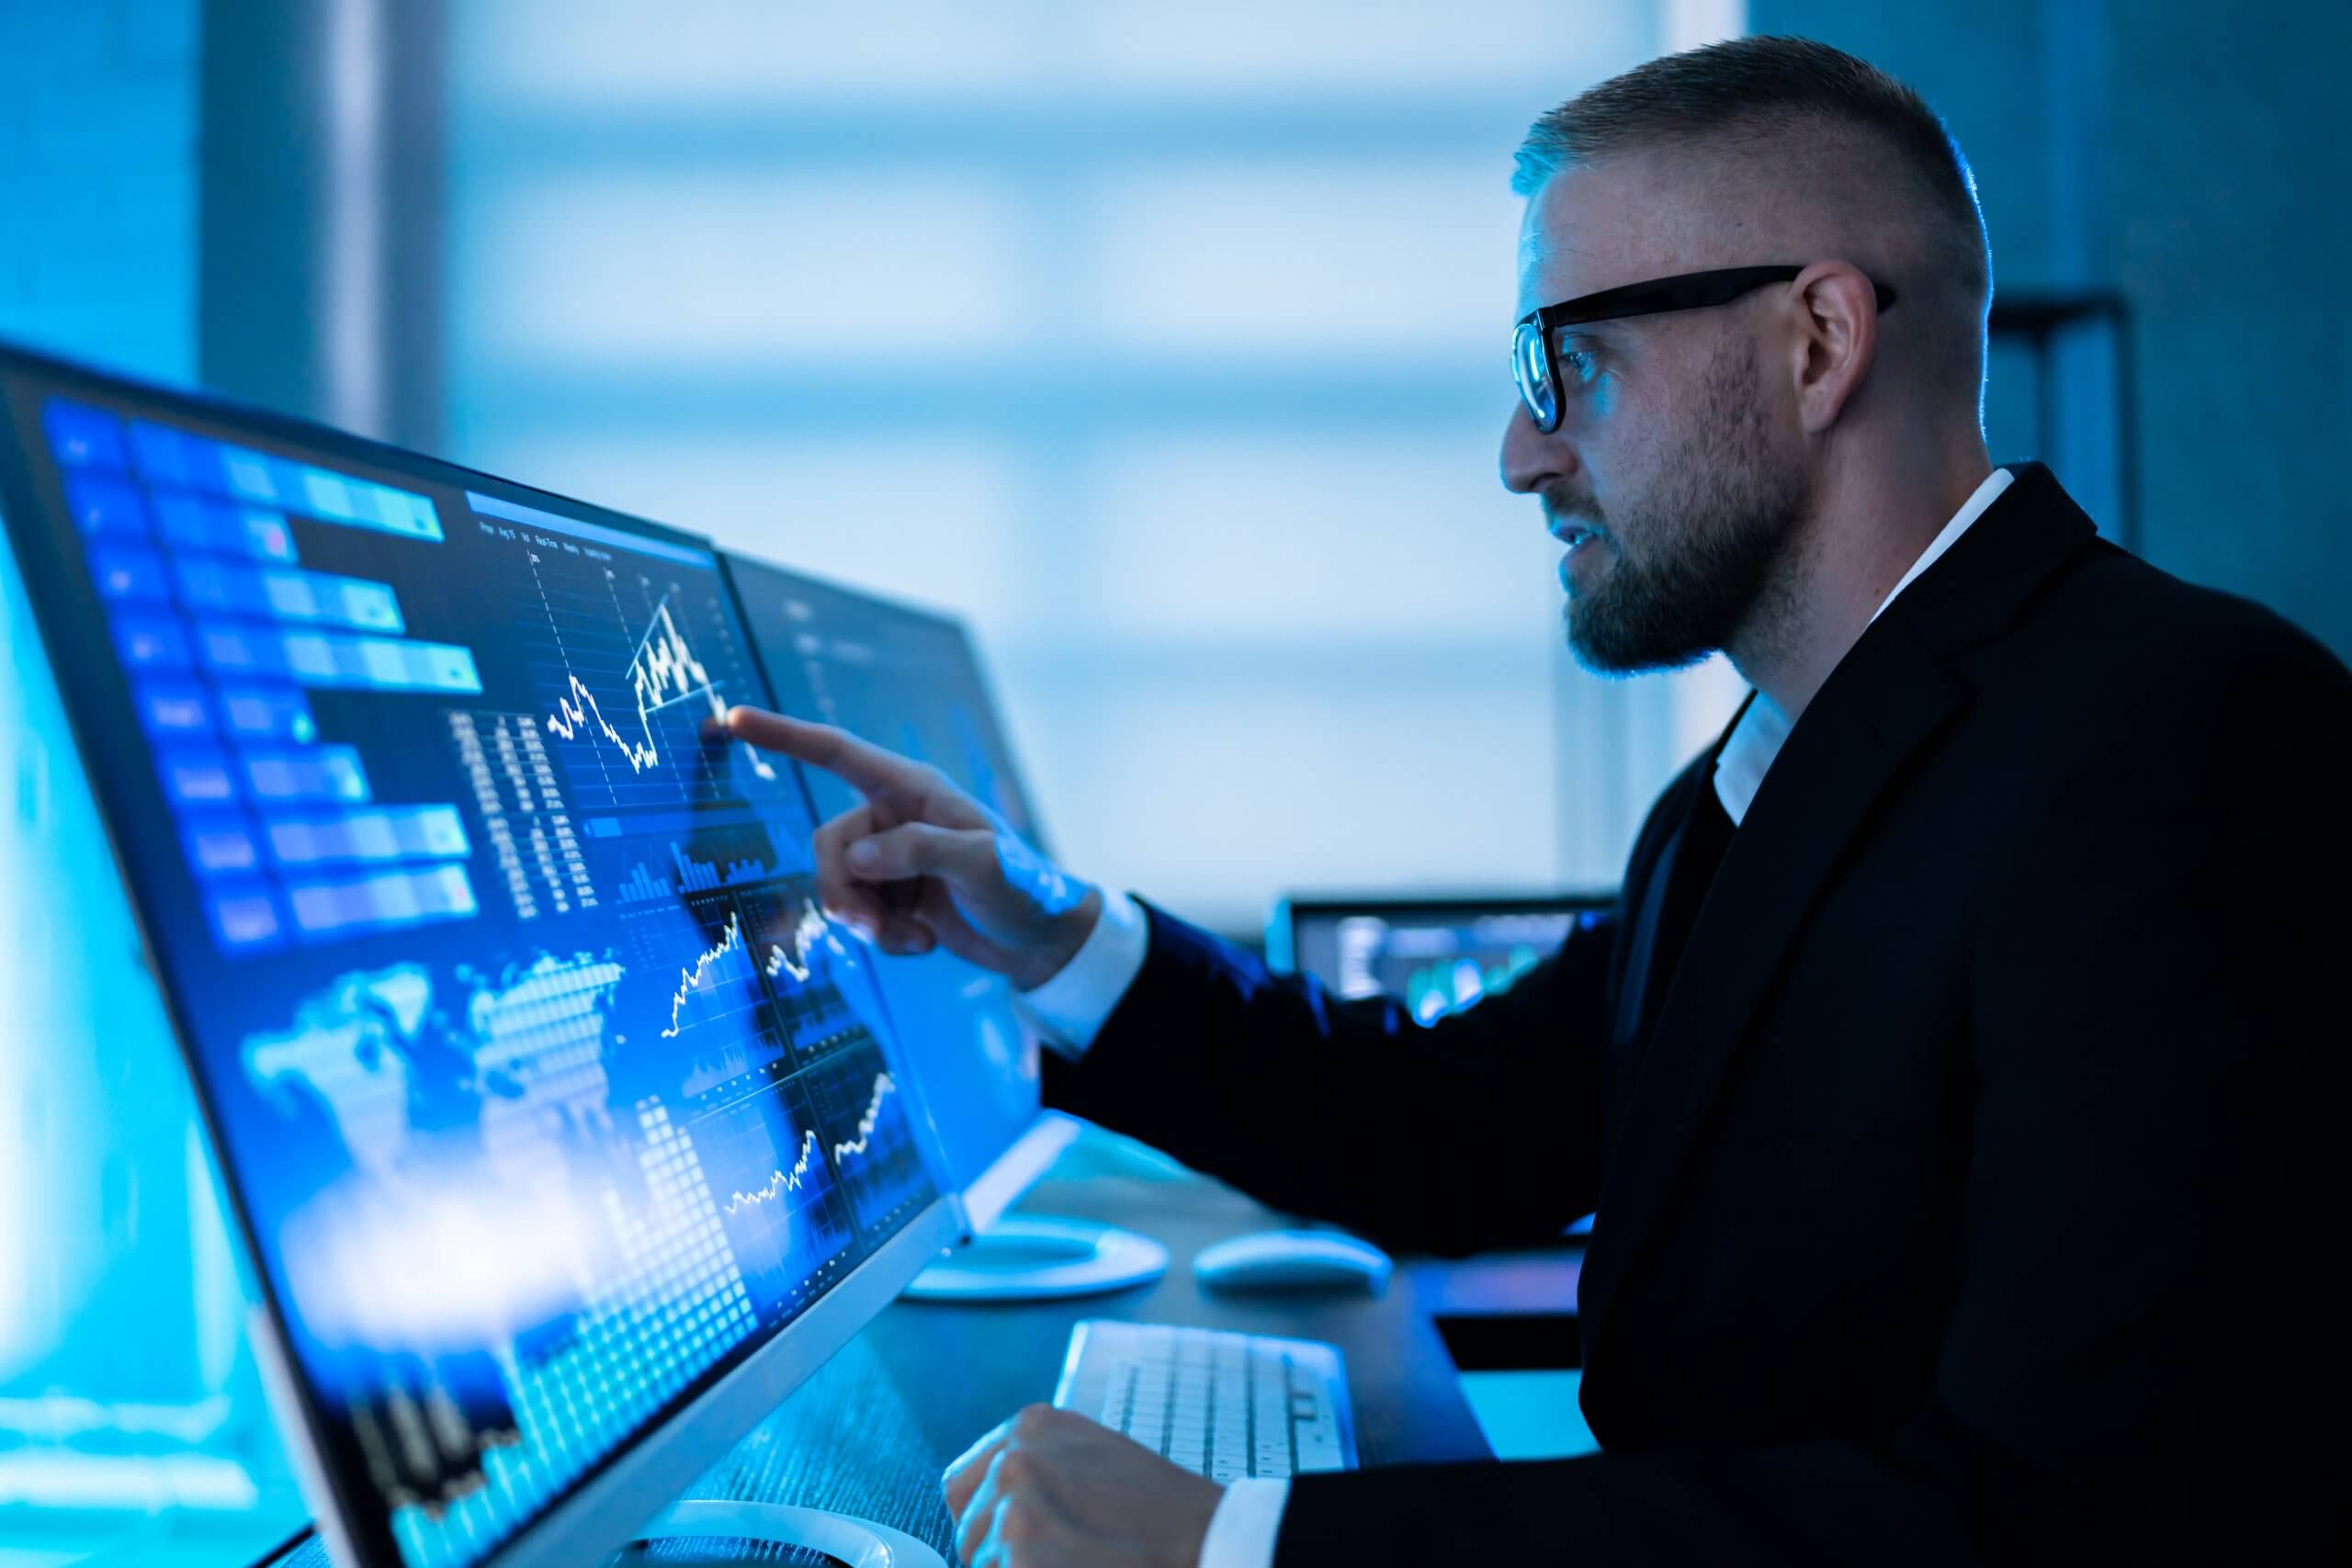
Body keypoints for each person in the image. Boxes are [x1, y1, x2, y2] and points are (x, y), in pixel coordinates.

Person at [727, 35, 2347, 1568]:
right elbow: (1438, 1134)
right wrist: (1042, 926)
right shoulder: (1745, 789)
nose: (1519, 450)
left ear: (1818, 343)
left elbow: (2061, 1521)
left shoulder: (2182, 743)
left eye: (1569, 361)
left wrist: (1245, 1539)